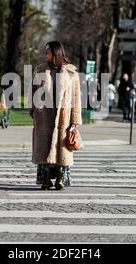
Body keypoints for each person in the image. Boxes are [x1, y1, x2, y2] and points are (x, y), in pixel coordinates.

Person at [29, 41, 82, 190]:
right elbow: (32, 92)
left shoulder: (71, 74)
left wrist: (75, 121)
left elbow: (77, 98)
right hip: (44, 117)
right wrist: (33, 110)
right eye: (45, 51)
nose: (45, 54)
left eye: (47, 52)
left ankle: (60, 178)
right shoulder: (39, 71)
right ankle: (45, 179)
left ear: (56, 53)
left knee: (62, 151)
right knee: (44, 149)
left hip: (63, 118)